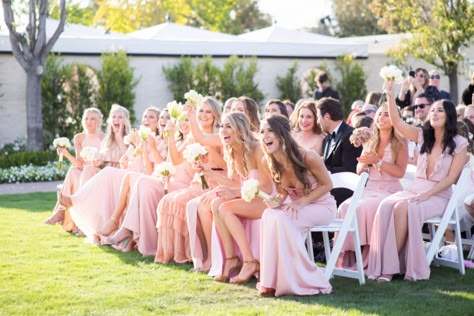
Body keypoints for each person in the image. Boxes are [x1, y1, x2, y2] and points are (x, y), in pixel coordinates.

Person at [367, 80, 468, 282]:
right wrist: (389, 94)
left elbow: (450, 178)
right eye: (433, 111)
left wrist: (426, 195)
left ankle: (390, 269)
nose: (434, 114)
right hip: (415, 190)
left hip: (438, 196)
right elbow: (397, 122)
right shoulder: (422, 136)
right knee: (386, 205)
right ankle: (383, 264)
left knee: (406, 208)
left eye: (439, 110)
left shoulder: (459, 143)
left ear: (448, 115)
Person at [257, 115, 335, 296]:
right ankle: (273, 280)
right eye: (262, 132)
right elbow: (283, 193)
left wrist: (301, 202)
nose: (265, 136)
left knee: (284, 218)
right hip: (296, 207)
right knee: (269, 215)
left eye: (270, 131)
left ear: (282, 134)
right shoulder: (268, 161)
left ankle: (308, 278)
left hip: (321, 206)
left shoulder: (308, 156)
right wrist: (274, 201)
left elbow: (328, 185)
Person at [196, 112, 273, 284]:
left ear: (240, 129)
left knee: (225, 207)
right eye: (222, 126)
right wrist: (208, 171)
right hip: (252, 196)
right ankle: (231, 259)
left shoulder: (257, 148)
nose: (223, 130)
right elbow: (232, 182)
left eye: (228, 126)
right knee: (216, 203)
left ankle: (249, 261)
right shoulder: (233, 150)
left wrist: (236, 194)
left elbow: (267, 187)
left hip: (268, 198)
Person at [336, 103, 408, 270]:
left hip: (390, 190)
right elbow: (360, 169)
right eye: (379, 114)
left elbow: (400, 172)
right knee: (345, 207)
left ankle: (371, 256)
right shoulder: (371, 140)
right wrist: (364, 165)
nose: (381, 118)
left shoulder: (400, 143)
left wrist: (378, 161)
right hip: (370, 189)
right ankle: (347, 257)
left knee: (366, 207)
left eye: (386, 115)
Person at [154, 97, 224, 263]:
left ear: (215, 116)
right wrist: (170, 137)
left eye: (208, 112)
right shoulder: (193, 136)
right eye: (201, 111)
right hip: (198, 182)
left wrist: (207, 149)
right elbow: (177, 160)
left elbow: (225, 166)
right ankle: (180, 254)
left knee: (181, 201)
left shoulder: (219, 136)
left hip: (215, 183)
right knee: (167, 200)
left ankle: (200, 254)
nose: (204, 115)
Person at [44, 106, 125, 228]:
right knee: (72, 170)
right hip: (84, 170)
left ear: (98, 121)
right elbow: (79, 164)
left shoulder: (104, 137)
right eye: (86, 118)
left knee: (83, 171)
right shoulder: (79, 138)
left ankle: (62, 210)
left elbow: (107, 162)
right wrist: (66, 154)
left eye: (92, 119)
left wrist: (98, 163)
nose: (89, 122)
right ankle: (61, 210)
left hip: (98, 172)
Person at [317, 97, 363, 205]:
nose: (318, 121)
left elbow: (349, 169)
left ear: (327, 116)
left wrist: (319, 167)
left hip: (344, 193)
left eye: (318, 117)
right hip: (328, 188)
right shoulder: (326, 139)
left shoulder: (350, 136)